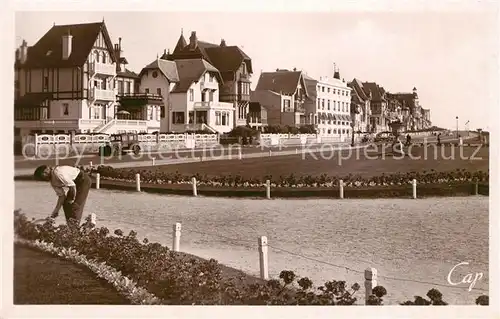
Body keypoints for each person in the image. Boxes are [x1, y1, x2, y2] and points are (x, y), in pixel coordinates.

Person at [34, 165, 92, 230]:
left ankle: (74, 230)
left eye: (44, 173)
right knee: (66, 204)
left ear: (47, 169)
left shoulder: (58, 173)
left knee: (75, 206)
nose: (44, 177)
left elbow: (72, 186)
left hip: (83, 181)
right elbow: (62, 196)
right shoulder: (53, 182)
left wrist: (72, 199)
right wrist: (55, 211)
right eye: (42, 177)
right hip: (74, 184)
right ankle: (70, 226)